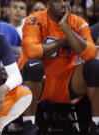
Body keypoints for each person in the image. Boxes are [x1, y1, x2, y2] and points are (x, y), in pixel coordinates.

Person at [18, 0, 99, 135]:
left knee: (94, 66)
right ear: (49, 4)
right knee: (34, 64)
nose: (63, 4)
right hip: (38, 82)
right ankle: (29, 123)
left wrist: (65, 27)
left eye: (66, 0)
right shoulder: (34, 19)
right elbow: (32, 51)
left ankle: (96, 123)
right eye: (58, 1)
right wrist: (64, 41)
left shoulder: (78, 22)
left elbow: (90, 54)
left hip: (67, 82)